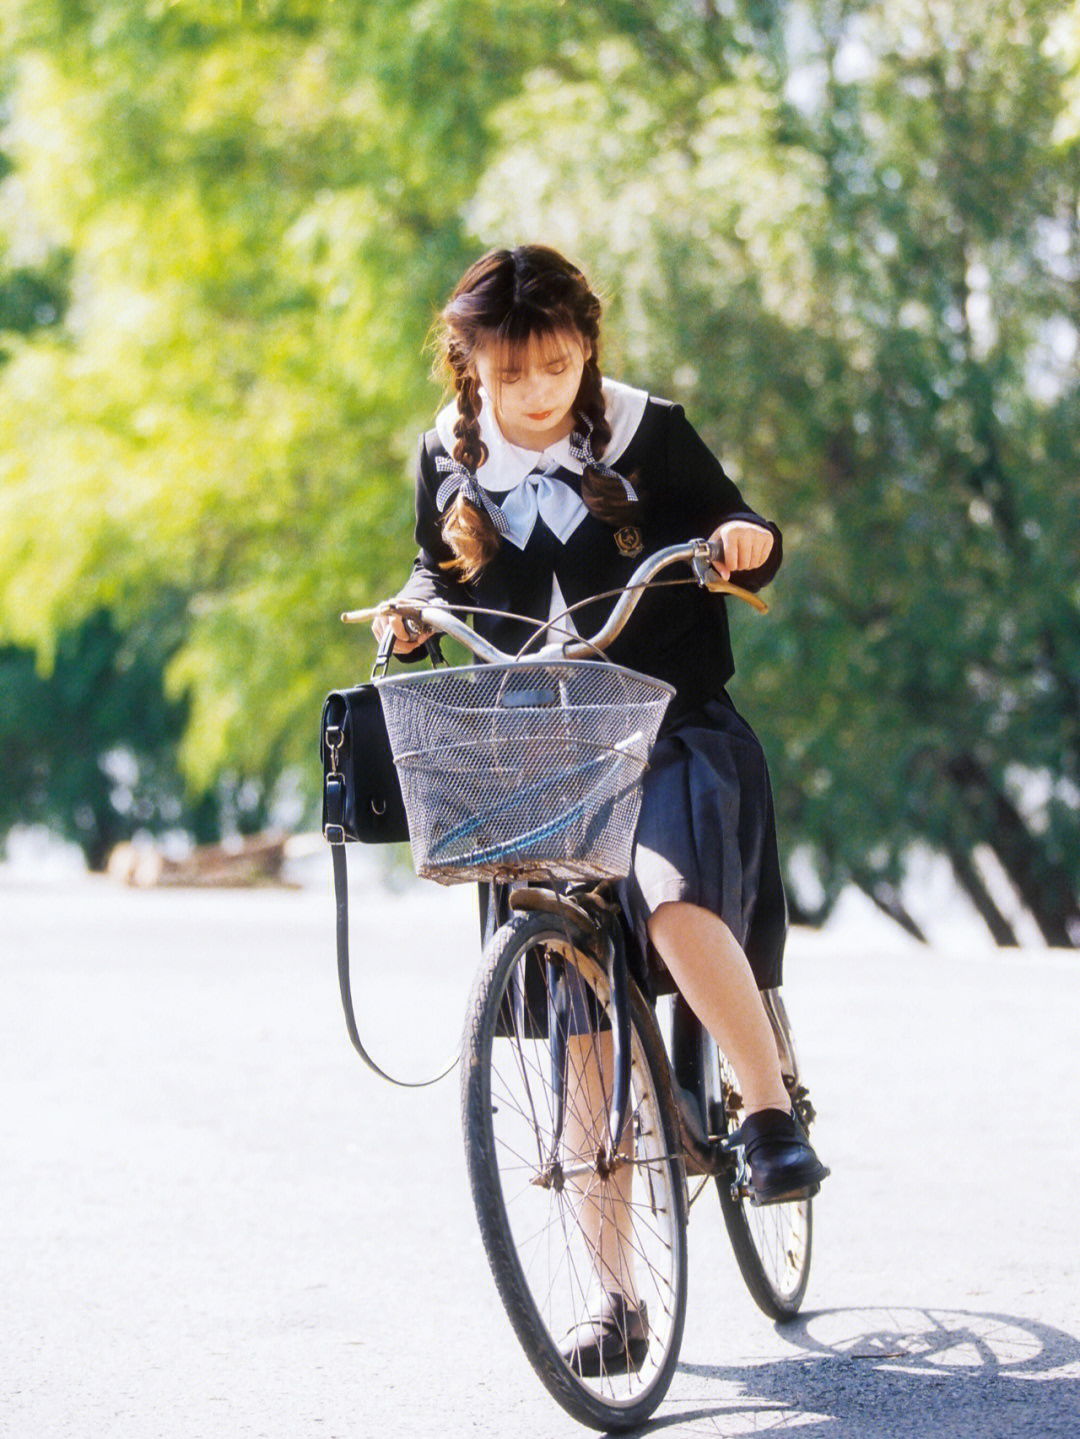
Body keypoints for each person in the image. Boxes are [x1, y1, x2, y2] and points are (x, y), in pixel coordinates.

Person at [373, 244, 828, 1372]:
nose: (540, 389)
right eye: (514, 370)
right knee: (574, 1022)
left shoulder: (646, 429)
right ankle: (613, 1298)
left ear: (587, 350)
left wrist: (742, 541)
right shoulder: (445, 452)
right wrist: (412, 608)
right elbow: (436, 570)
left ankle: (767, 1112)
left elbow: (742, 523)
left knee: (671, 902)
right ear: (469, 360)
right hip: (539, 750)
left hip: (671, 726)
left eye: (562, 364)